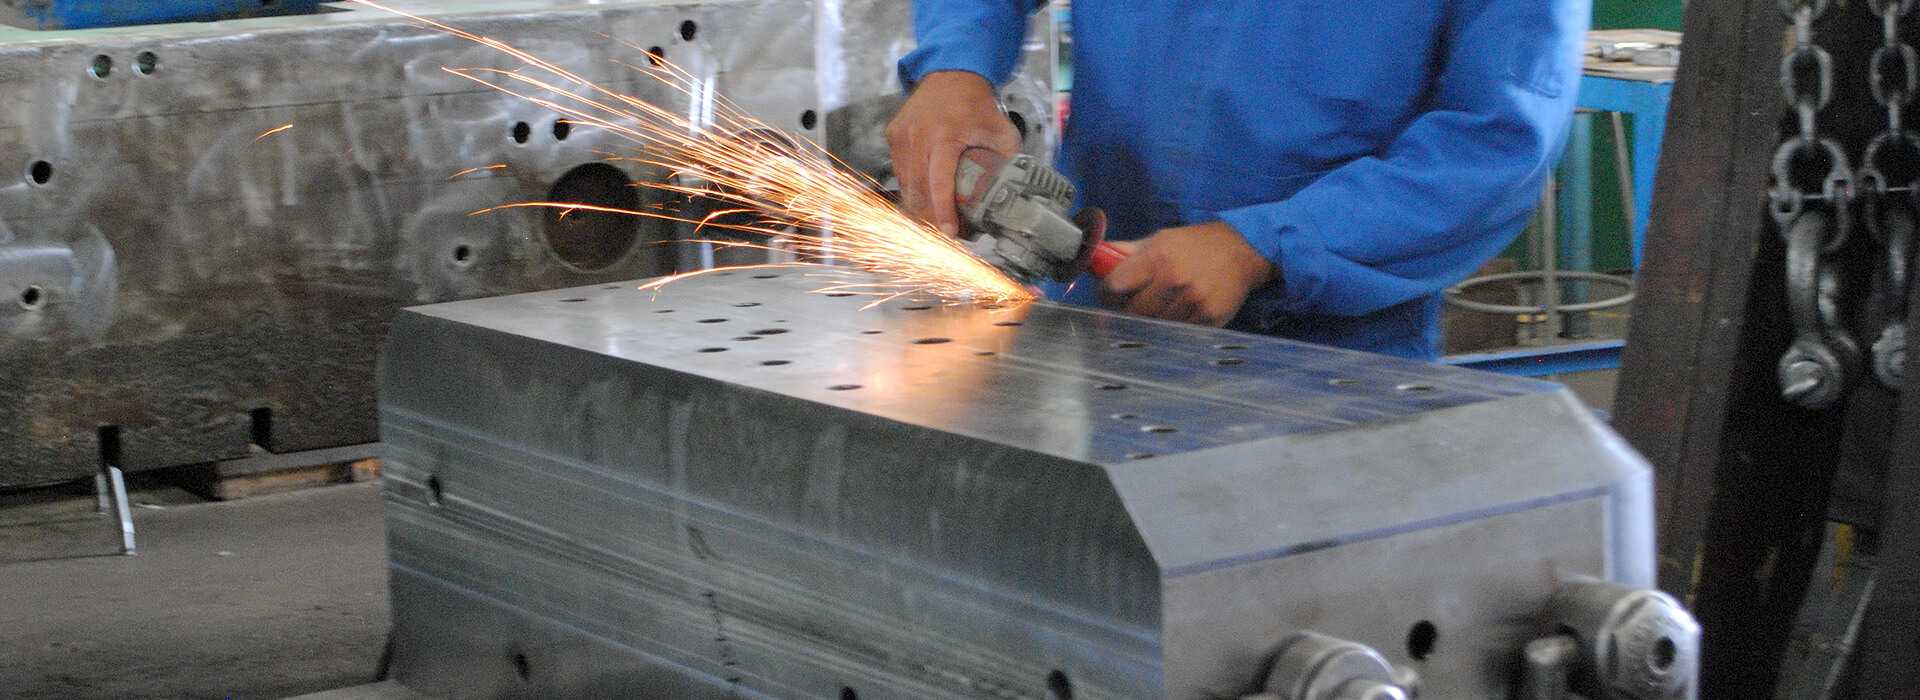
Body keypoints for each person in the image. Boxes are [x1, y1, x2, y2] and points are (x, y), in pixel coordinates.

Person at [886, 2, 1590, 360]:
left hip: (1327, 362)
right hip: (1095, 317)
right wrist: (956, 66)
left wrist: (1261, 246)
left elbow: (1496, 143)